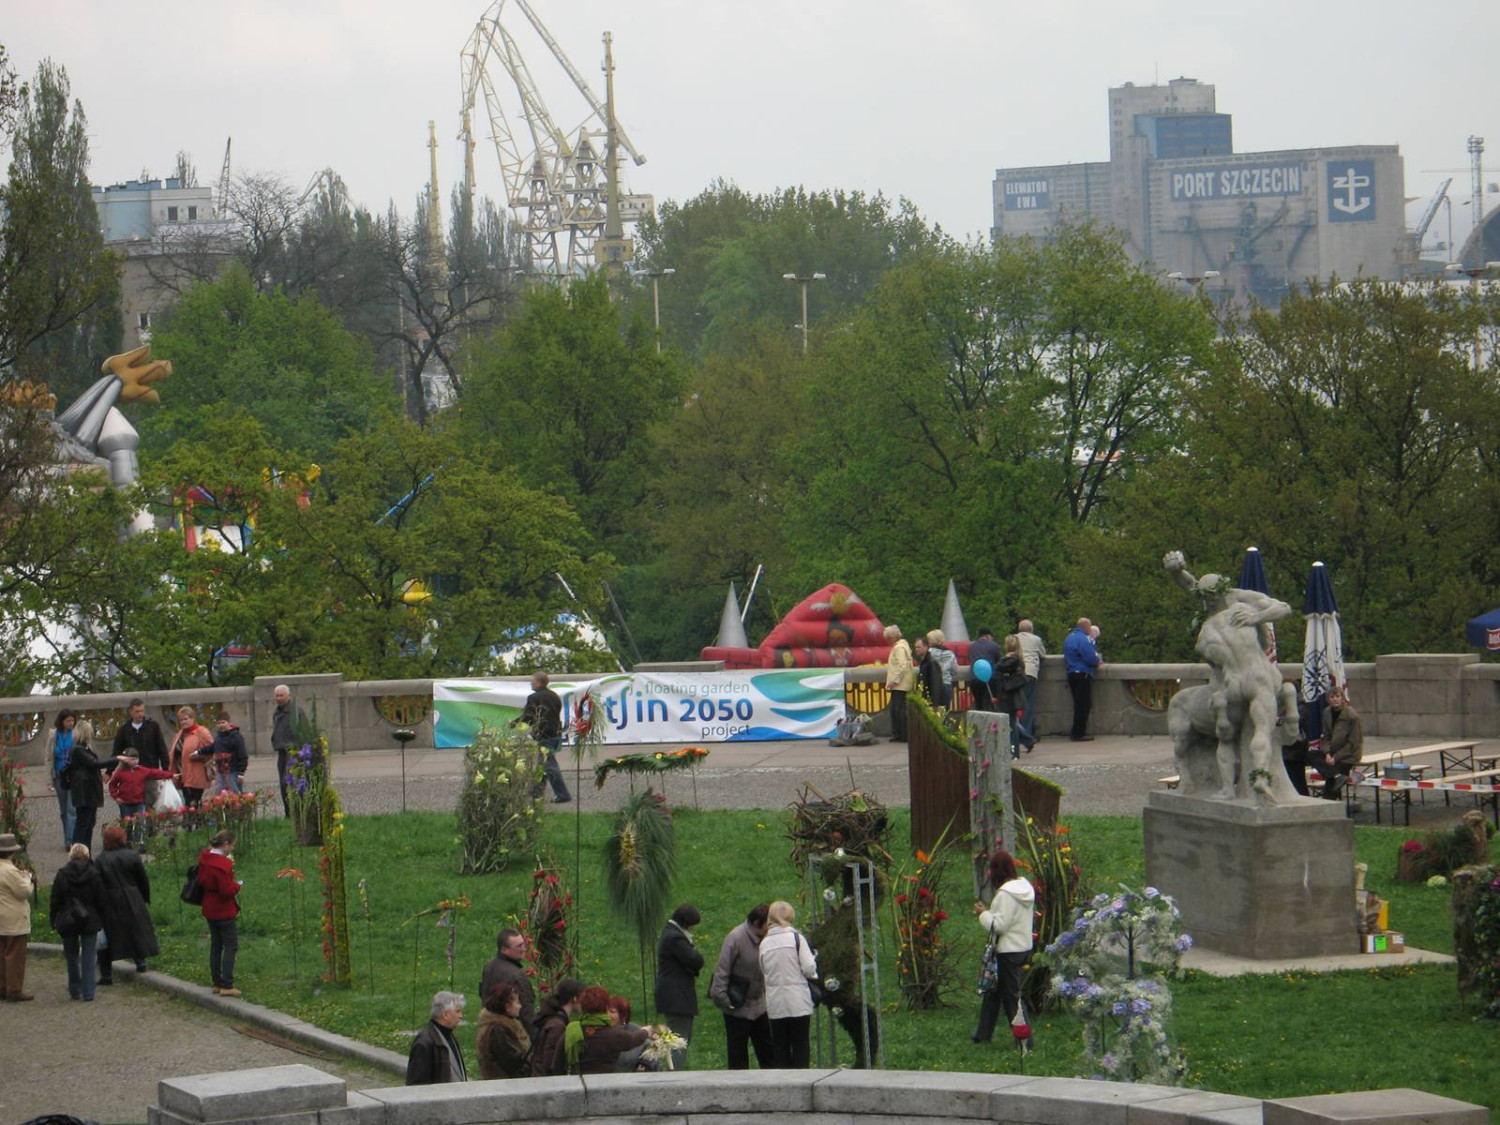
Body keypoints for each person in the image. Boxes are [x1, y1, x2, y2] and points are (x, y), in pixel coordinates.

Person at [971, 849, 1034, 1047]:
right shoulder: (1024, 888)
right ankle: (982, 1035)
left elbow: (1000, 925)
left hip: (1008, 951)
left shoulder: (1005, 895)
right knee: (993, 992)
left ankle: (1025, 1040)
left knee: (1011, 997)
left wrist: (983, 914)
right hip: (1023, 947)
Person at [708, 903, 774, 1069]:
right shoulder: (735, 938)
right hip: (736, 1008)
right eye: (768, 925)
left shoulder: (767, 938)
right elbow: (722, 972)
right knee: (738, 1056)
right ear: (758, 923)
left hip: (759, 1005)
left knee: (768, 1053)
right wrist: (725, 1001)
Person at [757, 900, 818, 1069]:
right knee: (800, 1044)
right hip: (798, 1000)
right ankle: (802, 1079)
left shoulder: (764, 943)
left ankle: (783, 1080)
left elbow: (763, 970)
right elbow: (809, 967)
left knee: (780, 1046)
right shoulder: (796, 938)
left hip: (775, 1002)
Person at [95, 825, 159, 985]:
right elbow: (143, 879)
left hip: (110, 899)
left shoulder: (101, 859)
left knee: (109, 936)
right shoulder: (132, 855)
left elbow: (98, 883)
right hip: (132, 896)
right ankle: (140, 962)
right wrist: (144, 897)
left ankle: (106, 974)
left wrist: (98, 904)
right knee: (135, 930)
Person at [50, 842, 105, 1001]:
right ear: (87, 855)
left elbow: (55, 899)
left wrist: (53, 919)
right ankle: (88, 992)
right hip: (90, 918)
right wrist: (101, 917)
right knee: (89, 955)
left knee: (71, 955)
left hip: (69, 919)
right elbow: (101, 899)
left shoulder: (62, 874)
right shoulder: (94, 874)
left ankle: (74, 989)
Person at [654, 902, 704, 1070]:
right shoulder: (675, 938)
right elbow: (695, 960)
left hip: (673, 996)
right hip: (677, 997)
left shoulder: (670, 933)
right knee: (678, 1042)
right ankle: (673, 1076)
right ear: (686, 922)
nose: (693, 928)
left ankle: (671, 1072)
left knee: (677, 1039)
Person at [560, 985, 648, 1074]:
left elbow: (557, 1063)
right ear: (605, 1007)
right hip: (605, 1081)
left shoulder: (572, 1031)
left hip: (576, 1081)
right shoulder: (614, 1035)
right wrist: (646, 1031)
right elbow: (632, 1039)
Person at [198, 829, 243, 997]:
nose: (232, 849)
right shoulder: (223, 865)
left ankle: (217, 982)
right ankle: (227, 984)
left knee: (216, 945)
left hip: (209, 906)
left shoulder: (205, 859)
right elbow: (226, 891)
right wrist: (237, 885)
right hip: (223, 909)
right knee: (231, 945)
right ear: (225, 844)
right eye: (232, 845)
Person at [514, 671, 571, 804]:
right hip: (555, 734)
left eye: (532, 681)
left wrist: (515, 723)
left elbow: (528, 716)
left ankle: (562, 794)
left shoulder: (534, 698)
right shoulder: (554, 696)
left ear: (539, 682)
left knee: (549, 766)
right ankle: (536, 792)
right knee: (542, 764)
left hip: (544, 735)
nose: (531, 683)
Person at [65, 721, 118, 850]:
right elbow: (94, 763)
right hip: (84, 792)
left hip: (88, 791)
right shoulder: (78, 749)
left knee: (88, 823)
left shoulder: (83, 748)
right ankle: (79, 850)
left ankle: (85, 850)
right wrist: (117, 759)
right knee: (83, 823)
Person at [113, 698, 171, 815]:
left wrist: (166, 770)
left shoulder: (152, 726)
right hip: (130, 773)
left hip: (149, 771)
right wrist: (109, 771)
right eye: (137, 711)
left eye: (142, 711)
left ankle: (151, 826)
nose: (140, 714)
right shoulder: (124, 730)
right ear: (131, 712)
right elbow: (116, 751)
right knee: (132, 805)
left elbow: (162, 748)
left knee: (151, 804)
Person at [107, 750, 174, 849]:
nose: (135, 761)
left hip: (139, 802)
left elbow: (154, 773)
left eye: (136, 759)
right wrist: (116, 797)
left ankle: (140, 842)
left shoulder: (142, 770)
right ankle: (127, 842)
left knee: (140, 823)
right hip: (125, 803)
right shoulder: (120, 772)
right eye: (132, 759)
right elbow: (112, 784)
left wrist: (170, 775)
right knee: (127, 824)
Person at [0, 832, 35, 1001]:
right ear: (11, 852)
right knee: (15, 954)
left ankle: (2, 986)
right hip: (13, 917)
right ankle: (14, 989)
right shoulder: (10, 871)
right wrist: (27, 878)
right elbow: (24, 892)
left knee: (1, 953)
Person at [407, 991, 469, 1084]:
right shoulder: (424, 1043)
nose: (460, 1016)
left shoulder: (450, 1037)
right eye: (457, 1011)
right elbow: (417, 1084)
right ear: (446, 1015)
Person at [480, 928, 535, 1030]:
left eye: (523, 944)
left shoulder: (488, 967)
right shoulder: (517, 976)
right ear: (504, 950)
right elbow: (526, 1013)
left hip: (489, 1028)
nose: (523, 949)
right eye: (518, 946)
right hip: (512, 1031)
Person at [476, 980, 531, 1079]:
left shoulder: (506, 1026)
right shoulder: (498, 1031)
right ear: (507, 1007)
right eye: (517, 1002)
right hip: (506, 1085)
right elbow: (514, 1064)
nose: (520, 1006)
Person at [530, 977, 583, 1077]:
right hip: (546, 1081)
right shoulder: (557, 1026)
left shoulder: (551, 1017)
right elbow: (550, 1061)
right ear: (575, 998)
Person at [1319, 689, 1364, 802]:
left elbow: (1353, 743)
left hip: (1348, 755)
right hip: (1332, 752)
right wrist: (1327, 753)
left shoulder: (1352, 716)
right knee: (1311, 755)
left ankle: (1329, 801)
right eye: (1332, 697)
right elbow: (1326, 736)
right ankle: (1336, 775)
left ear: (1342, 698)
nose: (1335, 699)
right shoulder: (1326, 713)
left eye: (1337, 696)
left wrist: (1336, 757)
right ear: (1328, 700)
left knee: (1331, 783)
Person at [1063, 618, 1103, 741]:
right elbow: (1090, 656)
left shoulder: (1069, 638)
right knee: (1084, 704)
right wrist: (1097, 662)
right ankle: (1078, 733)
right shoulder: (1083, 639)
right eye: (1089, 627)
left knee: (1078, 703)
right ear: (1086, 627)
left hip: (1071, 672)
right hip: (1082, 673)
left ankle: (1076, 732)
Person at [170, 706, 215, 809]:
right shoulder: (179, 734)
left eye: (186, 719)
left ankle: (195, 819)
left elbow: (212, 750)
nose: (183, 722)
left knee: (193, 803)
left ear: (192, 718)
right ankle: (190, 819)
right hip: (182, 774)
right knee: (187, 802)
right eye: (181, 720)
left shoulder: (201, 732)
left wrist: (198, 755)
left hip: (196, 774)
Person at [271, 684, 304, 817]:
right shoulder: (276, 712)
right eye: (277, 696)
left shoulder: (296, 712)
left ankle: (299, 812)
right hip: (281, 752)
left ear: (288, 696)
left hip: (293, 753)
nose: (279, 698)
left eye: (282, 695)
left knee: (293, 783)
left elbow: (304, 732)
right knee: (283, 784)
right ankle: (288, 813)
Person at [47, 710, 77, 849]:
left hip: (73, 775)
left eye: (72, 720)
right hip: (60, 775)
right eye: (68, 721)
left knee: (71, 809)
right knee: (64, 810)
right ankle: (67, 837)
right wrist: (49, 779)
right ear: (62, 721)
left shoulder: (76, 734)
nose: (71, 723)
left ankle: (71, 841)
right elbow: (48, 757)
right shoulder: (54, 735)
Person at [995, 635, 1029, 759]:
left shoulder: (1009, 660)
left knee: (1010, 725)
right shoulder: (1019, 659)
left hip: (1008, 695)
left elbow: (999, 667)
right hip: (1014, 695)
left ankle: (1013, 751)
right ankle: (1014, 750)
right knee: (1012, 724)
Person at [1015, 620, 1046, 750]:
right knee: (1028, 704)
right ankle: (1026, 734)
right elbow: (1043, 654)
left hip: (1016, 674)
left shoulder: (1014, 638)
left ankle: (1017, 733)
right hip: (1030, 673)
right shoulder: (1036, 639)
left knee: (1016, 704)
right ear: (1031, 629)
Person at [883, 625, 915, 743]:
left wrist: (893, 681)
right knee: (899, 710)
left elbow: (902, 666)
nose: (887, 641)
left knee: (898, 711)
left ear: (892, 637)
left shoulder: (898, 648)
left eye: (888, 638)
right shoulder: (903, 646)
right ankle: (901, 734)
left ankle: (901, 734)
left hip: (900, 685)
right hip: (903, 684)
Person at [609, 995, 655, 1072]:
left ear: (623, 1015)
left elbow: (650, 1050)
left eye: (612, 1012)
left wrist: (644, 1065)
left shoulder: (636, 1030)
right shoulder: (600, 1031)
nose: (607, 1015)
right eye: (605, 1011)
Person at [211, 711, 249, 794]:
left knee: (235, 793)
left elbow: (243, 755)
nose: (221, 725)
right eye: (219, 723)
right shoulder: (218, 737)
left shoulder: (236, 736)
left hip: (233, 770)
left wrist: (241, 773)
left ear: (228, 723)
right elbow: (212, 748)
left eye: (223, 722)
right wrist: (198, 752)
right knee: (220, 793)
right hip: (221, 771)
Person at [967, 628, 1003, 713]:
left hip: (974, 678)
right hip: (990, 679)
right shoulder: (994, 646)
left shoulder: (971, 647)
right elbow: (1000, 661)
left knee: (978, 704)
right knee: (989, 705)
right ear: (987, 636)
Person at [927, 630, 958, 708]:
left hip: (932, 685)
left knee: (932, 710)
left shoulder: (928, 654)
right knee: (945, 709)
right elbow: (954, 670)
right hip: (946, 684)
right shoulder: (950, 654)